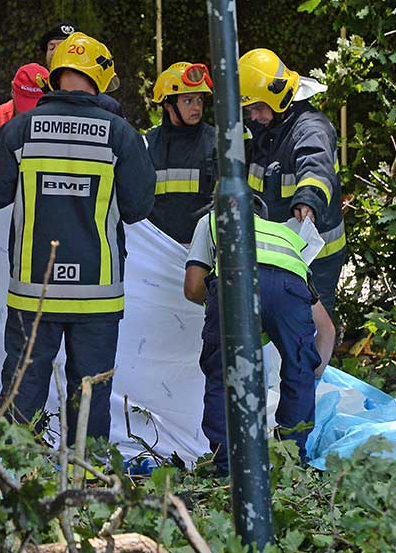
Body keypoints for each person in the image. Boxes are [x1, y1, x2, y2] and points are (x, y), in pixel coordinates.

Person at [0, 31, 156, 443]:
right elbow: (138, 207)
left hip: (33, 290)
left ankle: (13, 476)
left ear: (55, 77)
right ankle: (87, 485)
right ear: (99, 78)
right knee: (90, 394)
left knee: (22, 390)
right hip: (98, 292)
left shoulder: (20, 130)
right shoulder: (120, 135)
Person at [183, 202, 336, 474]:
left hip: (234, 280)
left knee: (223, 375)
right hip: (290, 288)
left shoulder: (214, 220)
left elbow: (194, 287)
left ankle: (226, 469)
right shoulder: (285, 237)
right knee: (298, 372)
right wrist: (311, 374)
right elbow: (326, 329)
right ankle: (290, 463)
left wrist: (221, 305)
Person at [239, 48, 345, 319]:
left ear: (279, 98)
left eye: (258, 108)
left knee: (308, 336)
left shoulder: (311, 129)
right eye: (249, 110)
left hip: (314, 259)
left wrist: (308, 198)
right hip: (280, 254)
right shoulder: (266, 131)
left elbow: (316, 166)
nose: (253, 116)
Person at [145, 62, 216, 245]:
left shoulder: (216, 142)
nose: (196, 107)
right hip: (159, 250)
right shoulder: (148, 144)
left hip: (203, 248)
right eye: (188, 100)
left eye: (200, 100)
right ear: (168, 104)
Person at [39, 23, 125, 118]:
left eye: (64, 47)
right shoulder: (31, 91)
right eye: (51, 47)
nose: (55, 52)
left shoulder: (107, 106)